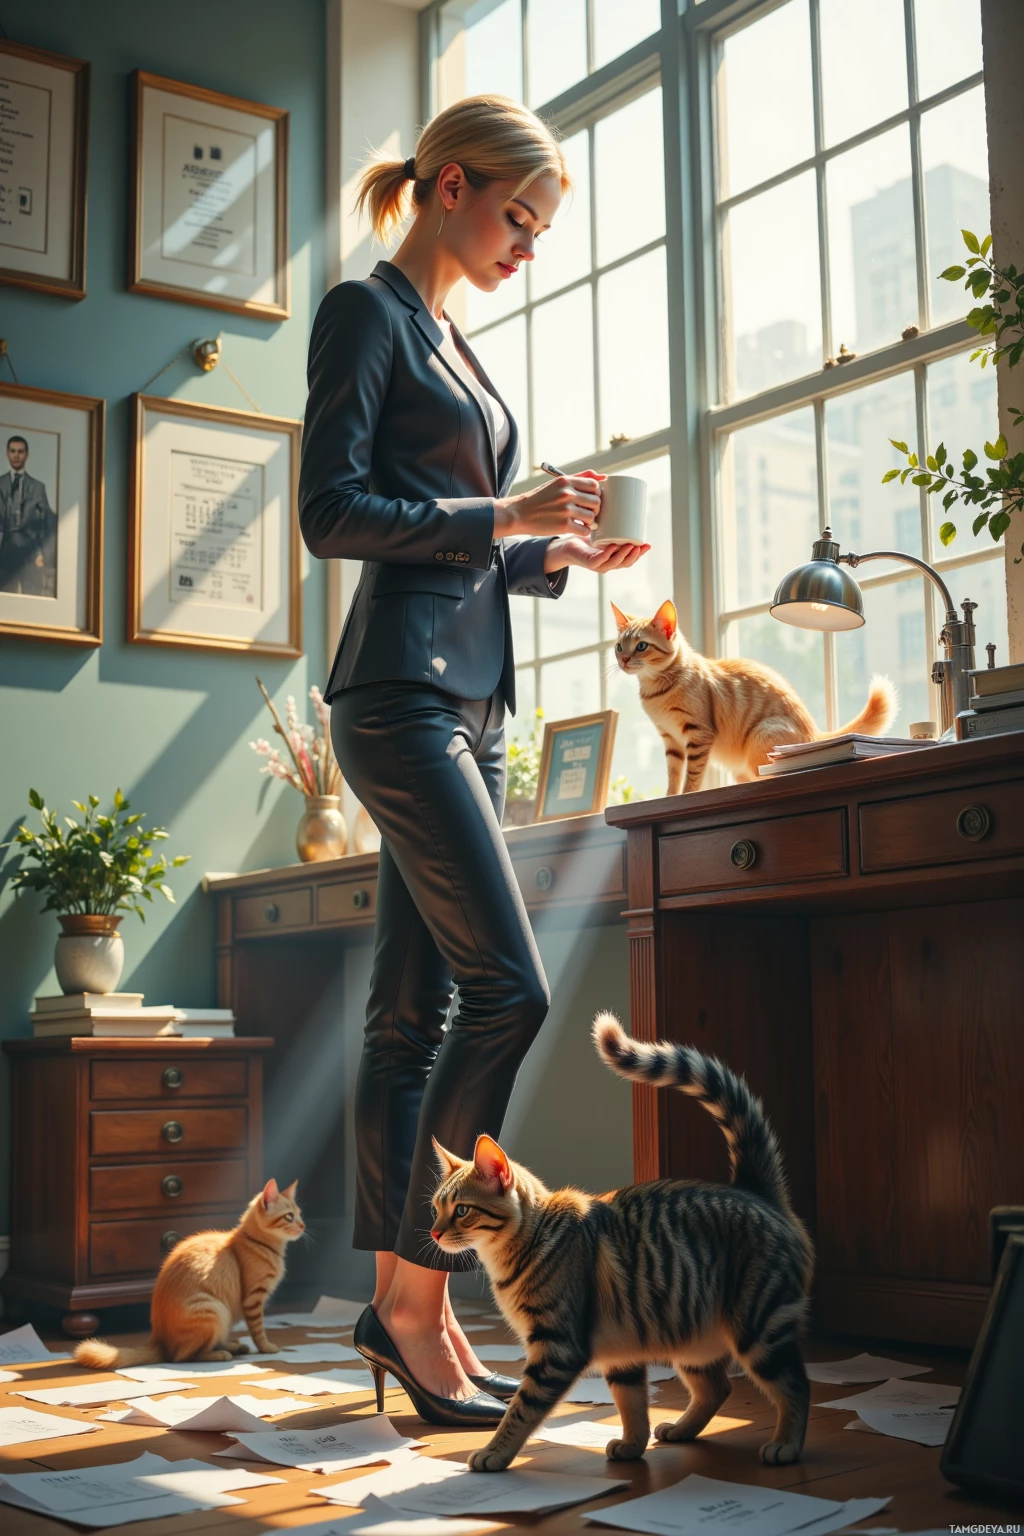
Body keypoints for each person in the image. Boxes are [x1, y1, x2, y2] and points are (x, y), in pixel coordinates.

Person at [298, 94, 650, 1427]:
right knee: (512, 991)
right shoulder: (366, 315)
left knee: (411, 1019)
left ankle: (396, 1320)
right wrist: (505, 508)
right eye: (520, 216)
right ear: (449, 185)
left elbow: (462, 540)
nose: (530, 244)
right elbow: (335, 513)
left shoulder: (458, 342)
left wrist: (548, 553)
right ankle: (416, 1294)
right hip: (397, 701)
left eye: (545, 230)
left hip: (471, 706)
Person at [0, 435, 57, 596]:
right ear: (7, 454)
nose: (16, 455)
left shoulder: (38, 487)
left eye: (20, 451)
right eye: (13, 451)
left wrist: (45, 557)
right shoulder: (0, 484)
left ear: (26, 454)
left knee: (33, 599)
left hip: (30, 553)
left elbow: (47, 525)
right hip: (4, 553)